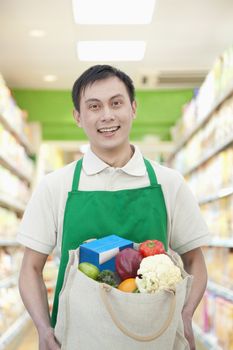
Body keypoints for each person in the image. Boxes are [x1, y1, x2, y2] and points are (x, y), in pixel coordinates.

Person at [18, 65, 209, 350]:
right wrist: (44, 329)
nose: (107, 115)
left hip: (155, 339)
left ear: (133, 108)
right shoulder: (56, 186)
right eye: (94, 106)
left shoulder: (169, 183)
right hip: (76, 339)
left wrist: (185, 314)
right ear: (78, 117)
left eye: (116, 103)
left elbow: (195, 260)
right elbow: (30, 268)